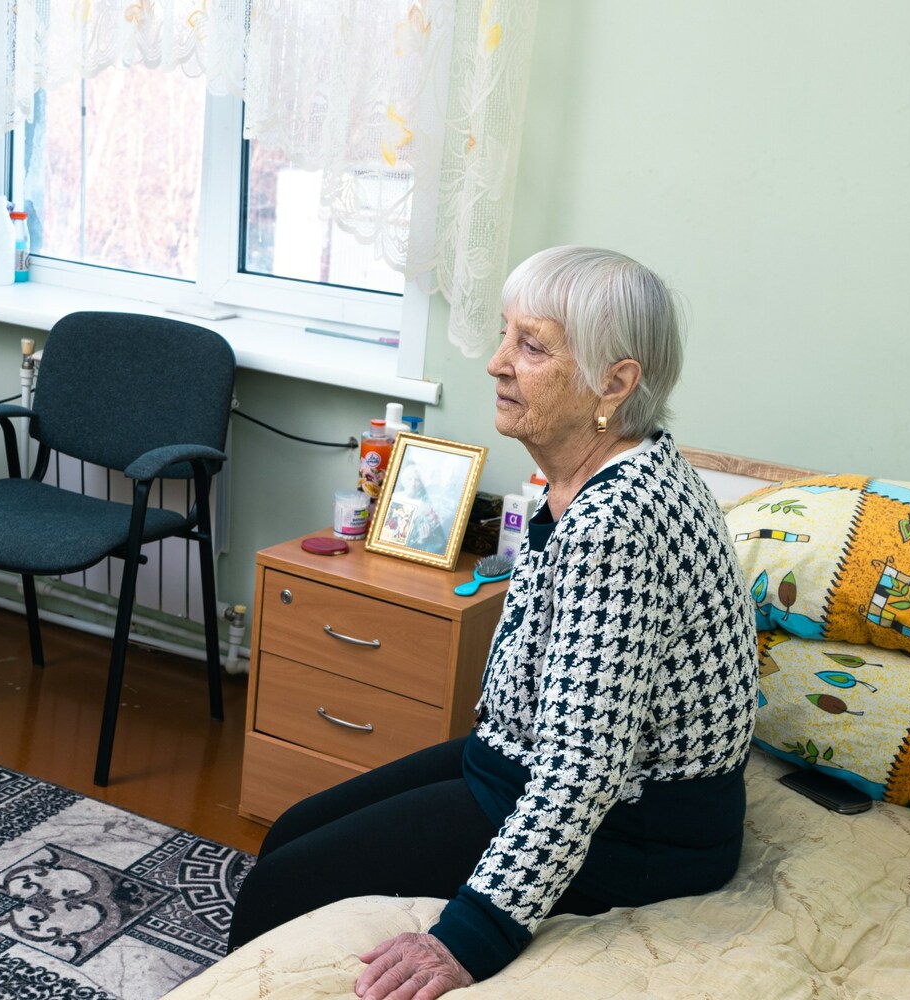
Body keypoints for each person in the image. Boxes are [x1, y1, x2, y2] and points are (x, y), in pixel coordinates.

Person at [228, 247, 759, 999]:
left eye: (532, 346)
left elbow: (584, 771)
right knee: (290, 833)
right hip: (519, 761)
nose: (497, 363)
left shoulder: (615, 524)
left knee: (277, 890)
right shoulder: (606, 470)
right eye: (507, 335)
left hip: (635, 830)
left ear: (614, 384)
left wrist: (470, 937)